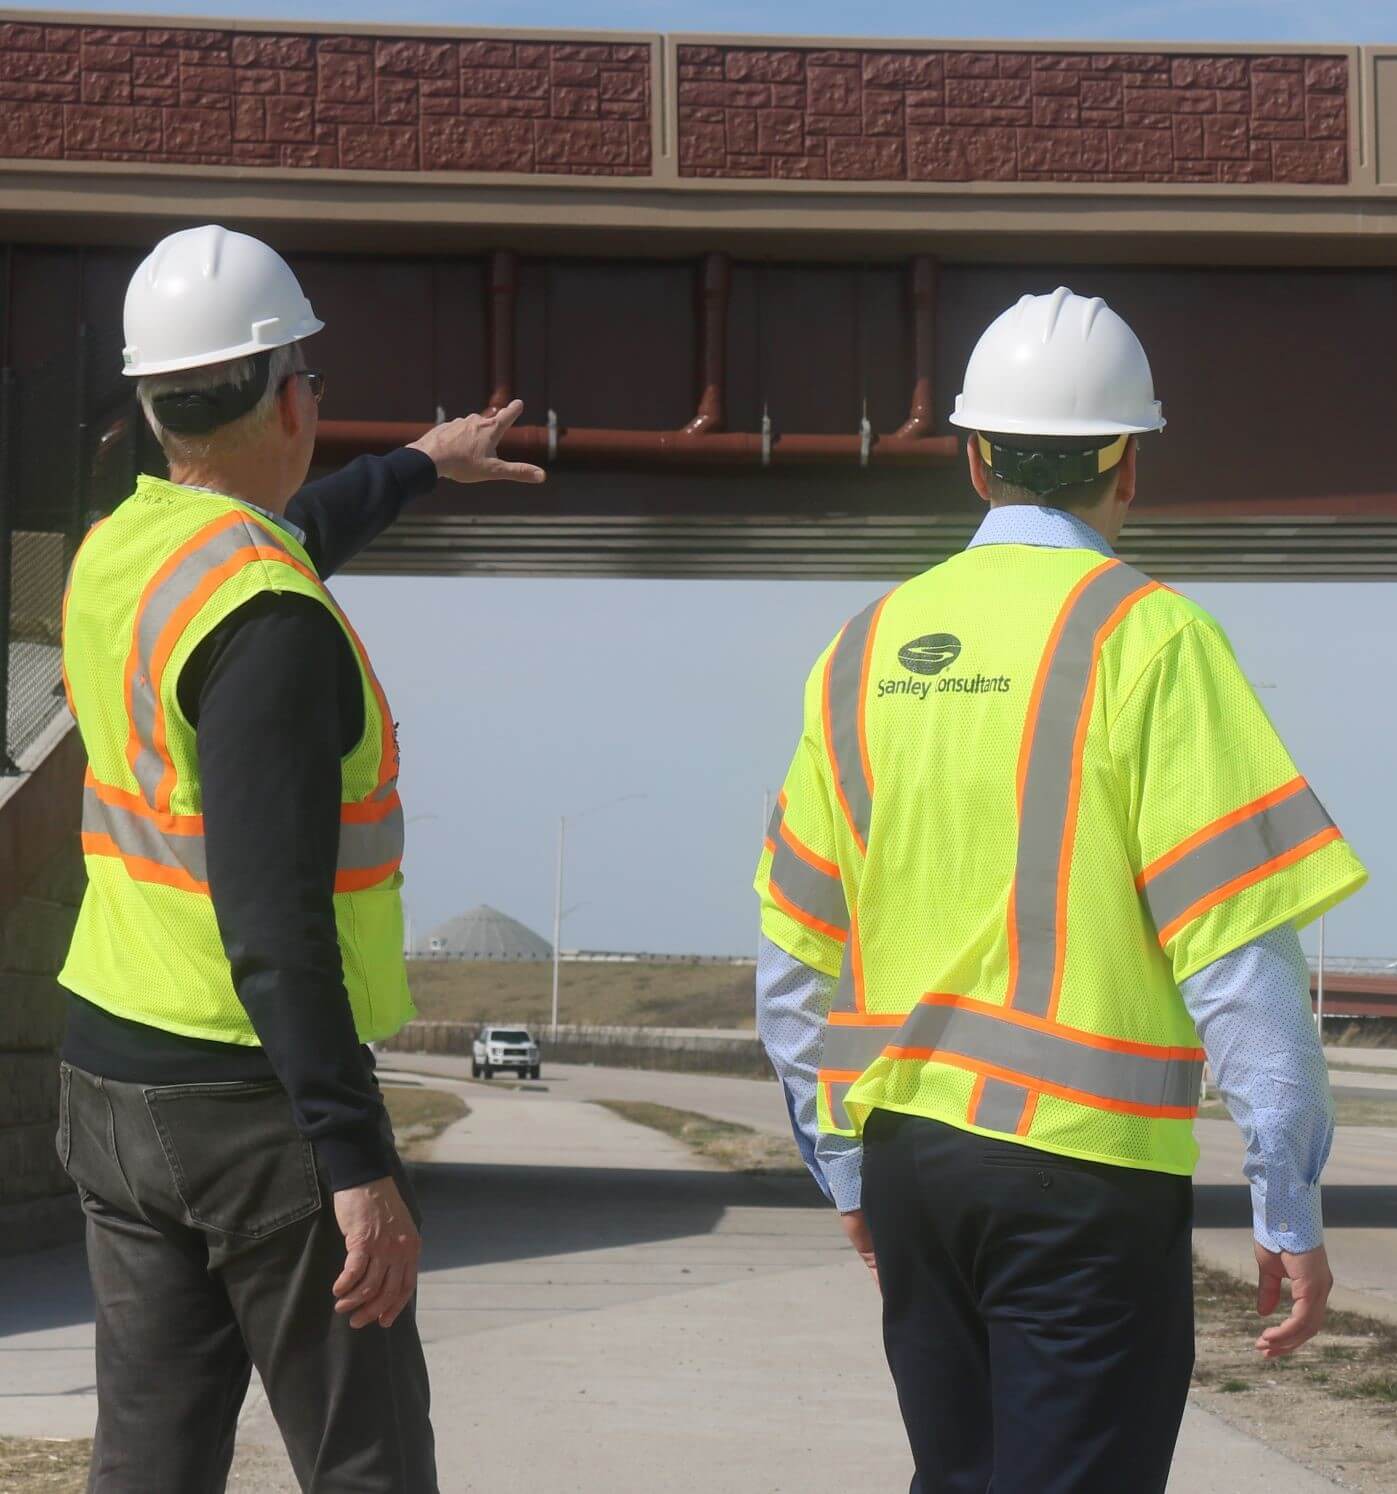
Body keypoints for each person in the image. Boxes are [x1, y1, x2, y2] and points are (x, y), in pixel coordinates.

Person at [754, 286, 1367, 1494]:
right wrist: (1283, 1195)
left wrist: (840, 1165)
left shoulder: (862, 646)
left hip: (912, 1161)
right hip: (1082, 1176)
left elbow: (792, 964)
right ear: (1126, 464)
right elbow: (1240, 959)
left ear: (974, 460)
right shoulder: (1150, 640)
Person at [56, 223, 543, 1492]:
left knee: (147, 1462)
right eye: (312, 378)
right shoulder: (269, 629)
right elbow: (274, 927)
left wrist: (419, 467)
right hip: (245, 1103)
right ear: (284, 396)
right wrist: (356, 1161)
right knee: (365, 1461)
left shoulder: (125, 549)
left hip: (113, 1077)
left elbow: (282, 532)